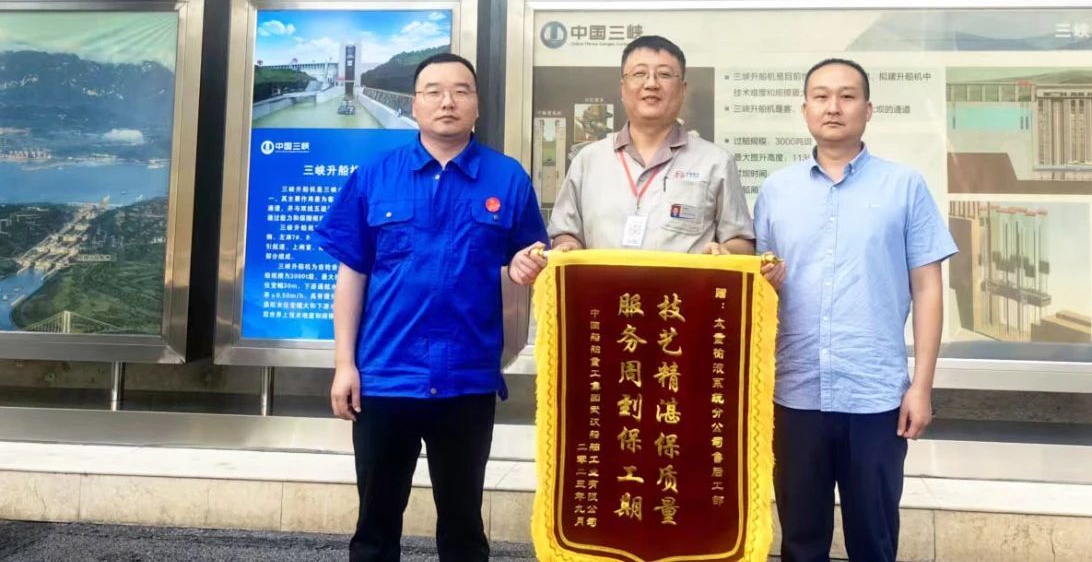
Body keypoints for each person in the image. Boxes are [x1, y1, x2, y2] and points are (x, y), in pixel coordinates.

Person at [315, 53, 548, 562]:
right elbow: (352, 274)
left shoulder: (507, 179)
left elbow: (528, 258)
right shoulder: (375, 176)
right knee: (375, 526)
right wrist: (344, 365)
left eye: (461, 90)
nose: (448, 101)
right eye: (434, 91)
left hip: (467, 378)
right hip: (385, 376)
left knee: (463, 526)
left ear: (477, 105)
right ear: (414, 104)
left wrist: (526, 265)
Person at [754, 58, 956, 562]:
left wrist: (921, 386)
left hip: (875, 397)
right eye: (821, 96)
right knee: (800, 541)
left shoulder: (904, 186)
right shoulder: (777, 190)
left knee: (874, 539)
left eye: (847, 96)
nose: (833, 107)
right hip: (795, 393)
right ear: (805, 109)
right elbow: (757, 288)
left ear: (868, 110)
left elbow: (928, 288)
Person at [509, 35, 781, 286]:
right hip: (603, 307)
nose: (651, 84)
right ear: (622, 87)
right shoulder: (588, 160)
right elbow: (565, 233)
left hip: (683, 310)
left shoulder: (716, 162)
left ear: (683, 88)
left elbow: (741, 241)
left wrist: (725, 252)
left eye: (664, 74)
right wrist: (567, 247)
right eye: (639, 73)